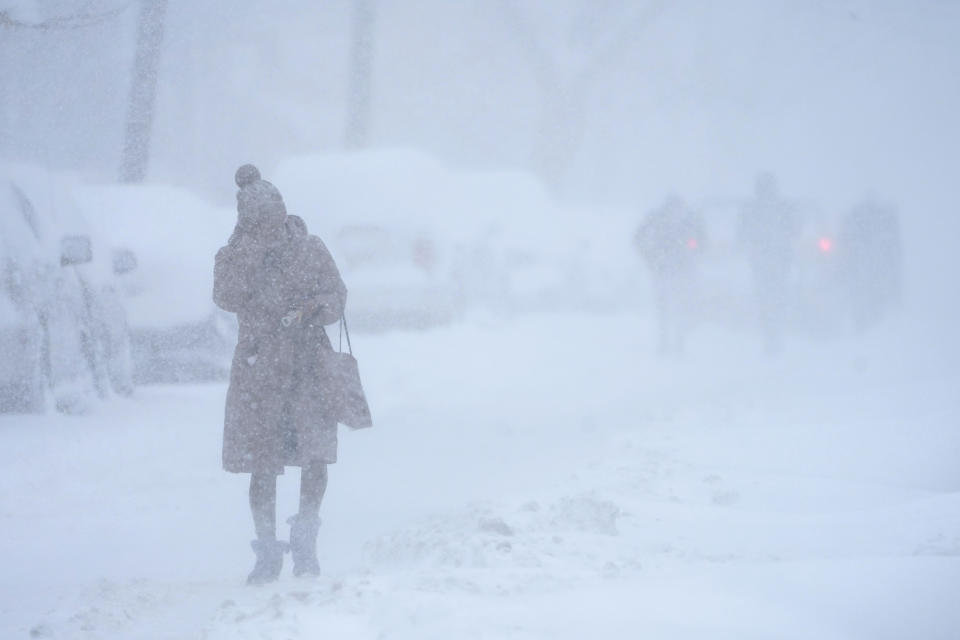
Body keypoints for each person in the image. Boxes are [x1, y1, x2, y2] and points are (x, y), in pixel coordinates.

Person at [213, 164, 347, 584]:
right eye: (258, 222)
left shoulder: (310, 248)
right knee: (261, 464)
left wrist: (311, 309)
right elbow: (226, 297)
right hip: (259, 371)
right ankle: (267, 550)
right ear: (247, 221)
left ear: (282, 212)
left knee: (315, 455)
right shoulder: (234, 254)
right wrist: (250, 254)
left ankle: (305, 540)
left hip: (308, 366)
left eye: (272, 218)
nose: (268, 228)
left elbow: (336, 296)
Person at [634, 195, 705, 355]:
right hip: (670, 269)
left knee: (670, 308)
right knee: (672, 308)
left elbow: (699, 242)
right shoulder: (685, 221)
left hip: (668, 269)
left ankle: (671, 343)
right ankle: (671, 344)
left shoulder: (665, 220)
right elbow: (699, 242)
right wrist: (650, 257)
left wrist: (650, 257)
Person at [737, 172, 800, 354]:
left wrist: (756, 243)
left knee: (767, 299)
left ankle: (771, 336)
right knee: (775, 299)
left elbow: (741, 234)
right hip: (776, 260)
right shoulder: (783, 208)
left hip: (765, 261)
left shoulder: (752, 209)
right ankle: (773, 335)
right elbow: (795, 229)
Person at [838, 197, 901, 331]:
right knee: (866, 290)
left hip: (863, 268)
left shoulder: (859, 238)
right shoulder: (878, 239)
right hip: (866, 269)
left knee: (864, 290)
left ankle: (864, 320)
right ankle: (864, 320)